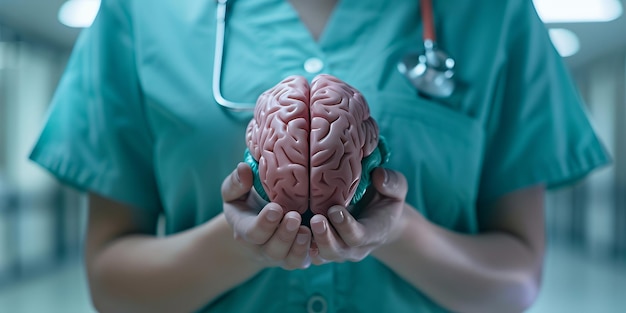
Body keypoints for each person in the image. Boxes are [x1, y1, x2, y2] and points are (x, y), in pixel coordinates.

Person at [29, 0, 610, 312]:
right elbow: (111, 285)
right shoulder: (140, 12)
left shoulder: (492, 12)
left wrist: (395, 229)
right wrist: (239, 246)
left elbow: (516, 285)